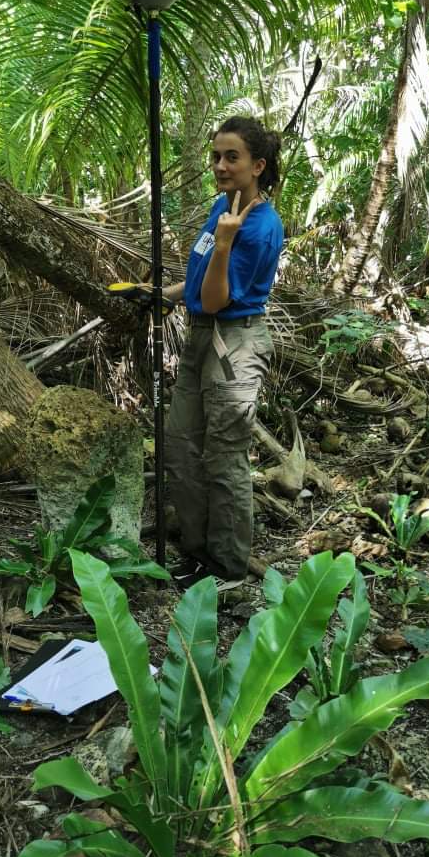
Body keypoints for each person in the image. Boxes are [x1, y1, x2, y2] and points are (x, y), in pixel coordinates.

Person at [162, 115, 283, 584]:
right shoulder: (224, 207)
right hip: (199, 336)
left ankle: (226, 567)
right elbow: (198, 284)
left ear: (258, 165)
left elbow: (219, 297)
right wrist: (163, 294)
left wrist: (227, 241)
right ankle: (195, 551)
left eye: (232, 156)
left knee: (224, 457)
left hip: (233, 343)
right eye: (216, 155)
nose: (220, 165)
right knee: (180, 444)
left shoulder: (257, 226)